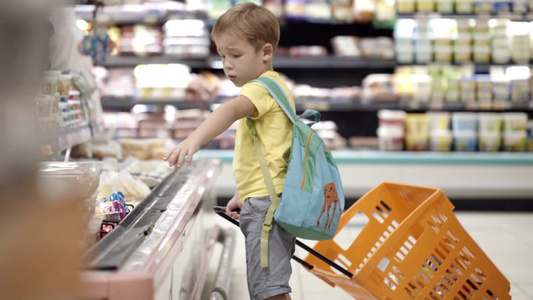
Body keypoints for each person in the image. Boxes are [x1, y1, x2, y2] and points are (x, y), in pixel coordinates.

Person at [164, 3, 295, 299]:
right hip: (266, 197)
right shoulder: (275, 88)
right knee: (270, 283)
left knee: (270, 290)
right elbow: (270, 153)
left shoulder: (260, 88)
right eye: (222, 55)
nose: (227, 64)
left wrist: (193, 140)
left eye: (235, 55)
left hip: (267, 207)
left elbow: (229, 110)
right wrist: (244, 194)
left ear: (265, 53)